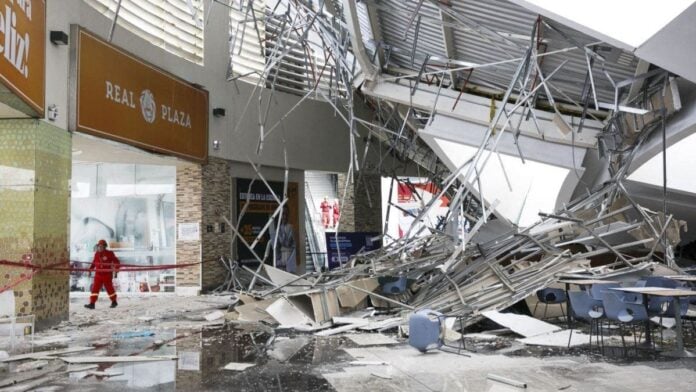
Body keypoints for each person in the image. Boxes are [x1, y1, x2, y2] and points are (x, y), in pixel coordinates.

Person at [85, 239, 120, 309]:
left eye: (101, 246)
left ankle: (114, 301)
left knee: (109, 289)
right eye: (98, 246)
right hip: (98, 275)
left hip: (107, 275)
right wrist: (90, 270)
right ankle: (92, 303)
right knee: (95, 289)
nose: (99, 247)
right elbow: (93, 263)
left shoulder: (110, 253)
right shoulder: (96, 254)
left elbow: (116, 261)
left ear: (104, 246)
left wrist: (116, 269)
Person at [277, 209, 297, 273]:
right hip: (283, 253)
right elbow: (280, 242)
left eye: (286, 214)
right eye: (283, 214)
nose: (284, 217)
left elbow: (288, 242)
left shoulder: (290, 227)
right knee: (283, 270)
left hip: (290, 253)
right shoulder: (279, 228)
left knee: (290, 271)